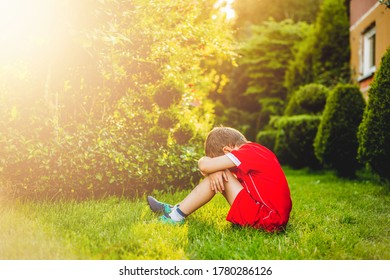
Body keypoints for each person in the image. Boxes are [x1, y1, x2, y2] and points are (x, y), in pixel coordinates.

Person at [147, 126, 292, 232]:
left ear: (227, 150)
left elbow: (205, 166)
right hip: (270, 216)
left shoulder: (249, 151)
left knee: (221, 175)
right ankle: (176, 209)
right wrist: (216, 169)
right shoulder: (256, 153)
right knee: (219, 173)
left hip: (269, 219)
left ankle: (175, 217)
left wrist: (214, 167)